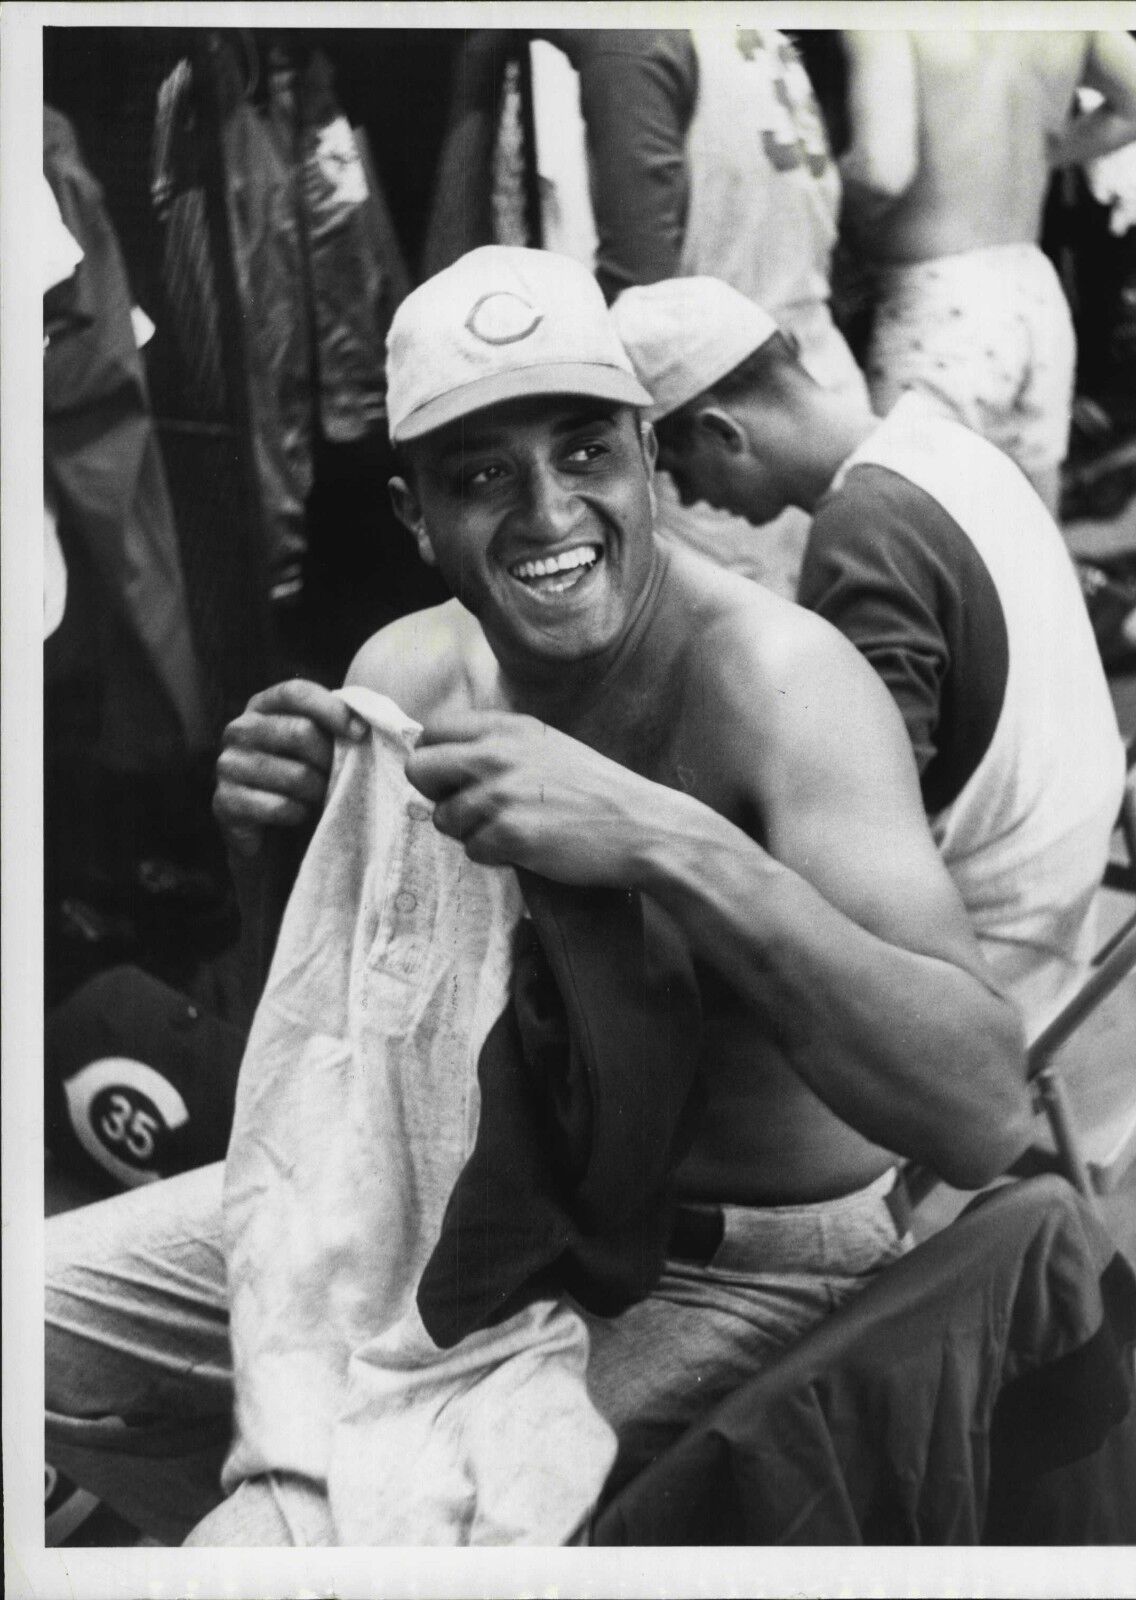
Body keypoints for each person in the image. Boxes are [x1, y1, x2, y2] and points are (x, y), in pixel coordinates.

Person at [46, 247, 1028, 1544]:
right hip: (451, 1211)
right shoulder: (406, 670)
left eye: (583, 453)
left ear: (648, 458)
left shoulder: (780, 687)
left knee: (324, 1533)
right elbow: (342, 1038)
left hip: (724, 1265)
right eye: (482, 475)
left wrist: (666, 839)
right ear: (414, 516)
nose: (551, 513)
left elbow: (978, 1114)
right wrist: (272, 847)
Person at [611, 275, 1126, 1029]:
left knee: (670, 984)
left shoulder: (865, 526)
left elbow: (871, 818)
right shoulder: (940, 440)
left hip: (1002, 944)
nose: (688, 499)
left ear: (725, 432)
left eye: (675, 469)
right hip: (1070, 854)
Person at [427, 26, 869, 597]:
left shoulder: (628, 38)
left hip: (709, 425)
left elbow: (642, 284)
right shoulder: (745, 28)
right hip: (794, 380)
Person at [840, 30, 1136, 510]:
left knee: (904, 532)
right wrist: (1044, 156)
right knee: (1029, 539)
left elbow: (880, 170)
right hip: (1033, 293)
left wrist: (821, 202)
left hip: (939, 311)